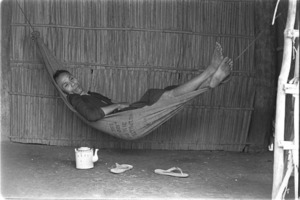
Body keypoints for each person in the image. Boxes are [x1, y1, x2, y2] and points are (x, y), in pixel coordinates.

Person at [53, 43, 233, 122]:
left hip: (130, 111)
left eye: (71, 78)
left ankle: (210, 83)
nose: (73, 84)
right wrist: (116, 105)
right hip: (128, 117)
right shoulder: (74, 100)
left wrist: (119, 106)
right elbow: (92, 116)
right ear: (65, 92)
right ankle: (209, 72)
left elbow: (108, 107)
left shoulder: (91, 95)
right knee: (167, 96)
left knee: (169, 91)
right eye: (66, 85)